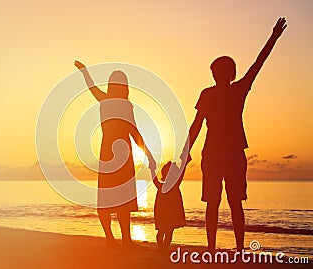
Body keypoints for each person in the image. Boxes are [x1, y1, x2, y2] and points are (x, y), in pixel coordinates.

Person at [180, 18, 287, 251]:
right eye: (217, 71)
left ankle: (233, 248)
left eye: (221, 71)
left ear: (227, 73)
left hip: (228, 153)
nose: (219, 74)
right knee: (217, 203)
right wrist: (185, 151)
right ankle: (219, 248)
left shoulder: (235, 90)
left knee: (230, 202)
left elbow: (258, 64)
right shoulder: (211, 94)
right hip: (217, 154)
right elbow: (196, 124)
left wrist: (273, 38)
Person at [74, 60, 156, 248]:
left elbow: (134, 132)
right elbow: (135, 133)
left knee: (116, 199)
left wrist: (148, 154)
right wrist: (84, 71)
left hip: (115, 154)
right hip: (115, 154)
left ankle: (120, 239)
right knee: (114, 199)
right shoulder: (115, 102)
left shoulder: (117, 104)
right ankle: (116, 239)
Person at [152, 161, 186, 251]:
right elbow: (182, 172)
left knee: (164, 232)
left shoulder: (165, 186)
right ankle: (163, 248)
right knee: (166, 232)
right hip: (166, 213)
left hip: (167, 213)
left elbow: (154, 179)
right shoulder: (172, 185)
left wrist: (152, 169)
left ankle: (163, 248)